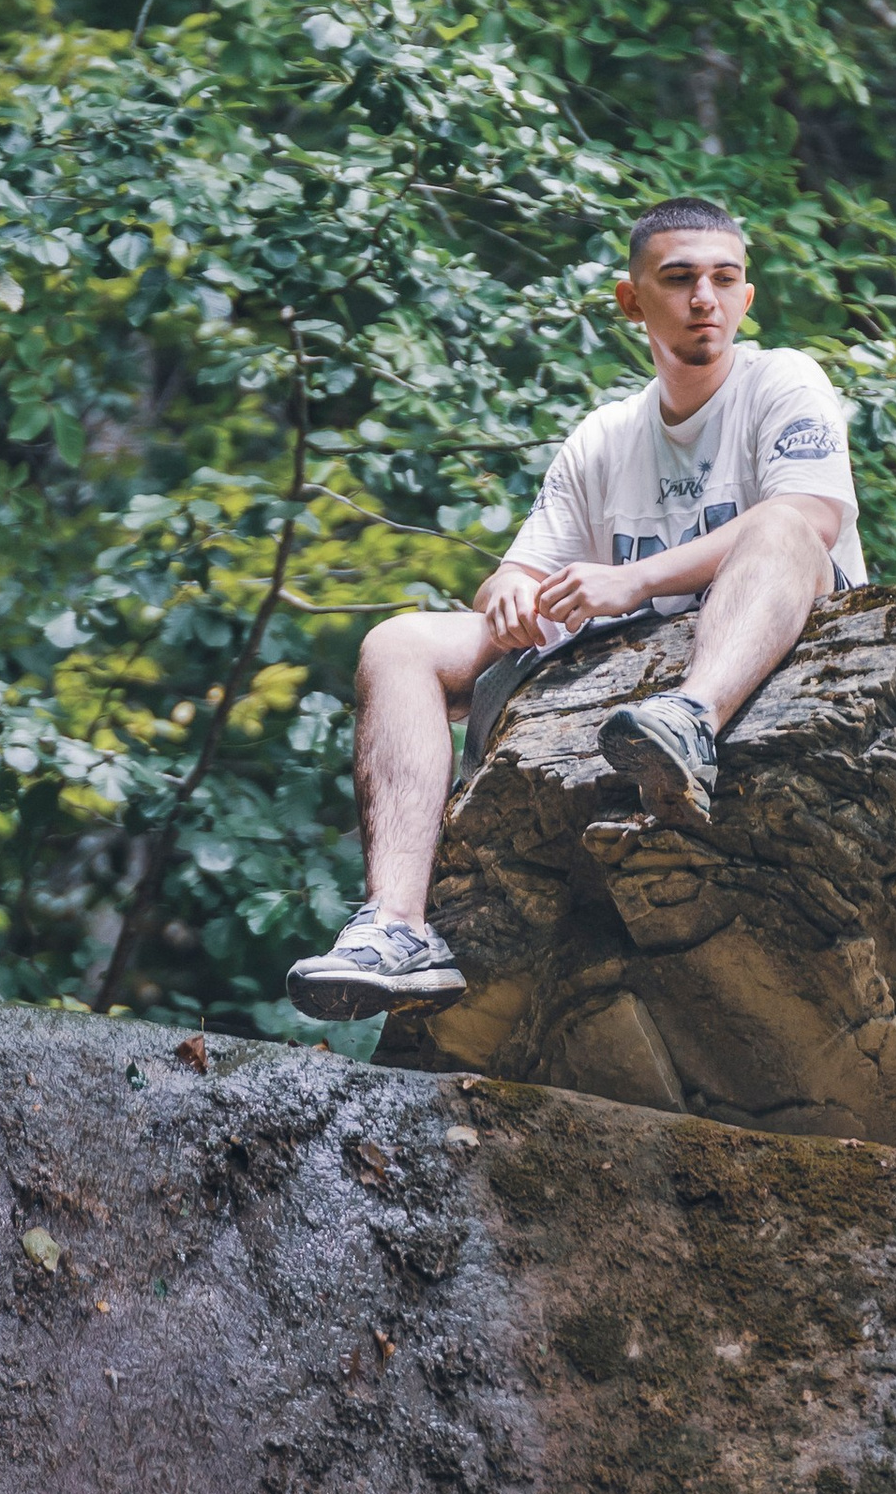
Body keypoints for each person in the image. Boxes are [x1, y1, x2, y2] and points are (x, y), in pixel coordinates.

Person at [286, 199, 859, 1019]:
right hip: (614, 655)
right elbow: (511, 579)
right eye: (681, 279)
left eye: (724, 279)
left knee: (781, 520)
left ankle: (688, 723)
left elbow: (815, 519)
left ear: (746, 297)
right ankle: (398, 928)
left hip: (774, 624)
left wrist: (635, 580)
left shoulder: (783, 379)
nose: (705, 298)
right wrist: (511, 593)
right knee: (398, 641)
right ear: (633, 301)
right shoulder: (604, 436)